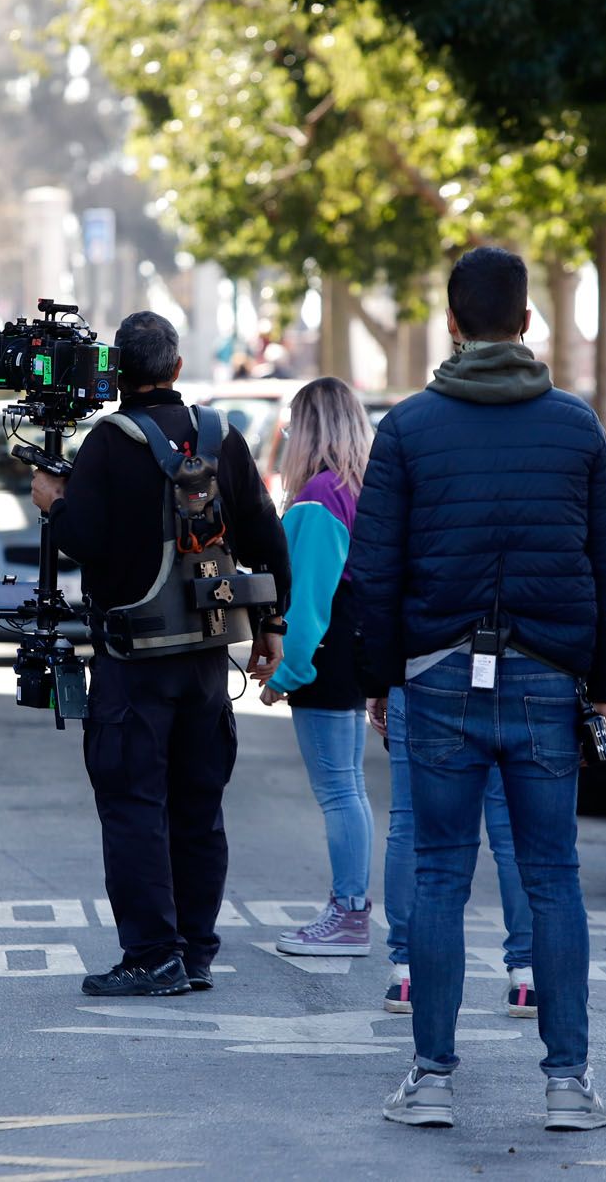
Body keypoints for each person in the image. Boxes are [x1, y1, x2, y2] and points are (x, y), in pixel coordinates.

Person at [351, 247, 606, 1133]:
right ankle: (567, 1082)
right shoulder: (576, 426)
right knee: (553, 877)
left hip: (436, 677)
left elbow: (373, 574)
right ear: (526, 323)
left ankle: (430, 1078)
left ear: (453, 320)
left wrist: (376, 681)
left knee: (437, 873)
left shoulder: (407, 428)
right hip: (549, 680)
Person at [33, 311, 291, 998]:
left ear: (117, 375)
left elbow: (83, 537)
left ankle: (152, 954)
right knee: (199, 806)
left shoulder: (108, 444)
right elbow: (267, 533)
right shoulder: (220, 436)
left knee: (134, 805)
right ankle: (195, 951)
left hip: (133, 661)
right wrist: (274, 624)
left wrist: (53, 502)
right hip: (208, 658)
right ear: (176, 370)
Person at [259, 378, 375, 957]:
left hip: (324, 662)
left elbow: (306, 606)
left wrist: (283, 676)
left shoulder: (316, 498)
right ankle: (351, 908)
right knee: (349, 788)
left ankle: (349, 912)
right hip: (355, 655)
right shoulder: (361, 490)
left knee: (338, 791)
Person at [377, 691, 538, 1019]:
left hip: (421, 681)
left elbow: (383, 638)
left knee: (410, 821)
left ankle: (406, 972)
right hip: (509, 682)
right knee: (511, 831)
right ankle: (525, 977)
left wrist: (377, 682)